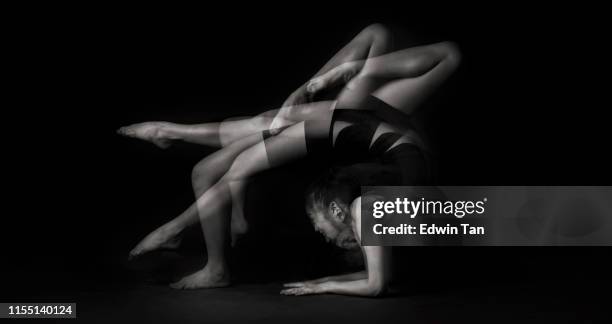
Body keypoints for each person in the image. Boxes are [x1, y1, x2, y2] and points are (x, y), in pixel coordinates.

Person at [118, 23, 461, 296]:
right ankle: (183, 202)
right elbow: (438, 52)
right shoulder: (381, 139)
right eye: (334, 236)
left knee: (220, 164)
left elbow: (262, 132)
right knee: (239, 151)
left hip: (347, 132)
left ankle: (204, 252)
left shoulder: (366, 125)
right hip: (356, 132)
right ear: (341, 216)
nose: (321, 232)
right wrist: (329, 79)